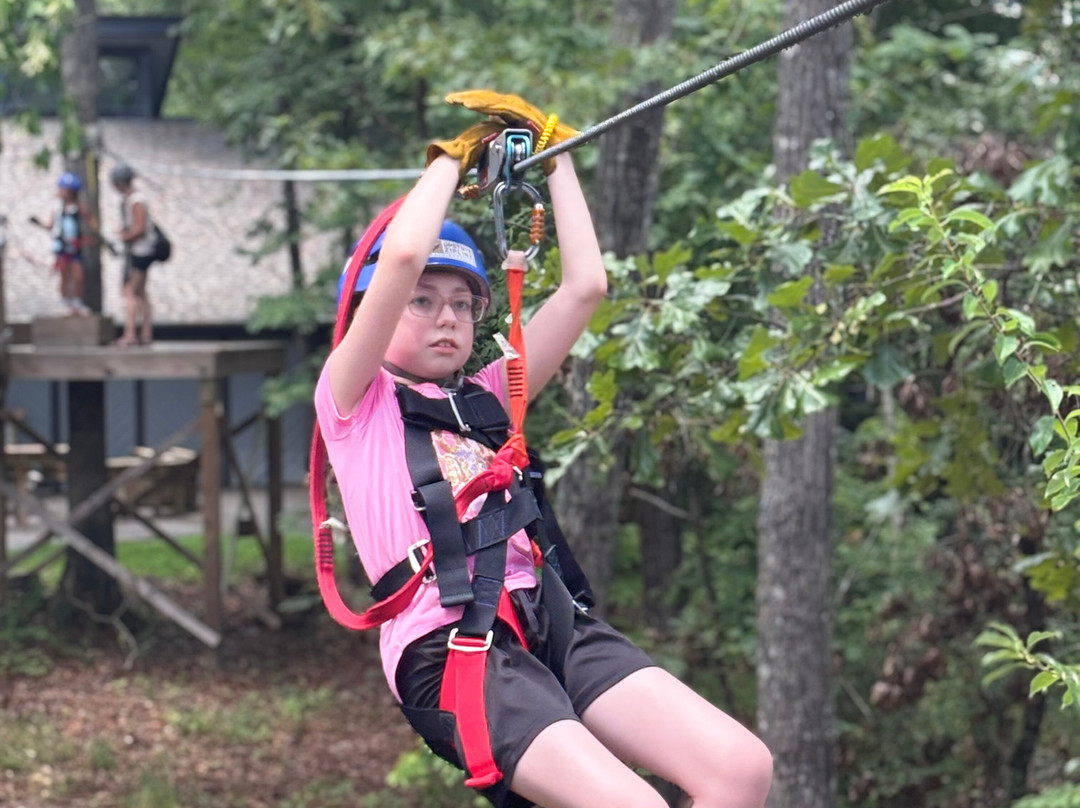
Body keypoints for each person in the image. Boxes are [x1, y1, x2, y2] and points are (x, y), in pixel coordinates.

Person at [314, 91, 773, 808]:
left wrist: (557, 159)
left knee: (741, 769)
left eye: (462, 303)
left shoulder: (489, 395)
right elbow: (401, 253)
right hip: (449, 643)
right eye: (422, 301)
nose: (447, 318)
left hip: (546, 614)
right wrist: (451, 161)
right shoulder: (354, 401)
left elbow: (587, 286)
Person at [32, 171, 94, 315]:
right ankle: (65, 302)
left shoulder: (79, 207)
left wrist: (89, 236)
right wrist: (38, 223)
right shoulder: (57, 209)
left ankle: (77, 302)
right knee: (64, 275)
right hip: (62, 248)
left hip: (75, 247)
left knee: (78, 276)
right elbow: (51, 226)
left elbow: (90, 223)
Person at [111, 163, 154, 346]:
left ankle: (130, 334)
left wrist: (124, 237)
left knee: (129, 291)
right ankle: (145, 333)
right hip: (141, 251)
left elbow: (140, 228)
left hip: (140, 252)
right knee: (141, 292)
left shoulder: (136, 201)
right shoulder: (131, 200)